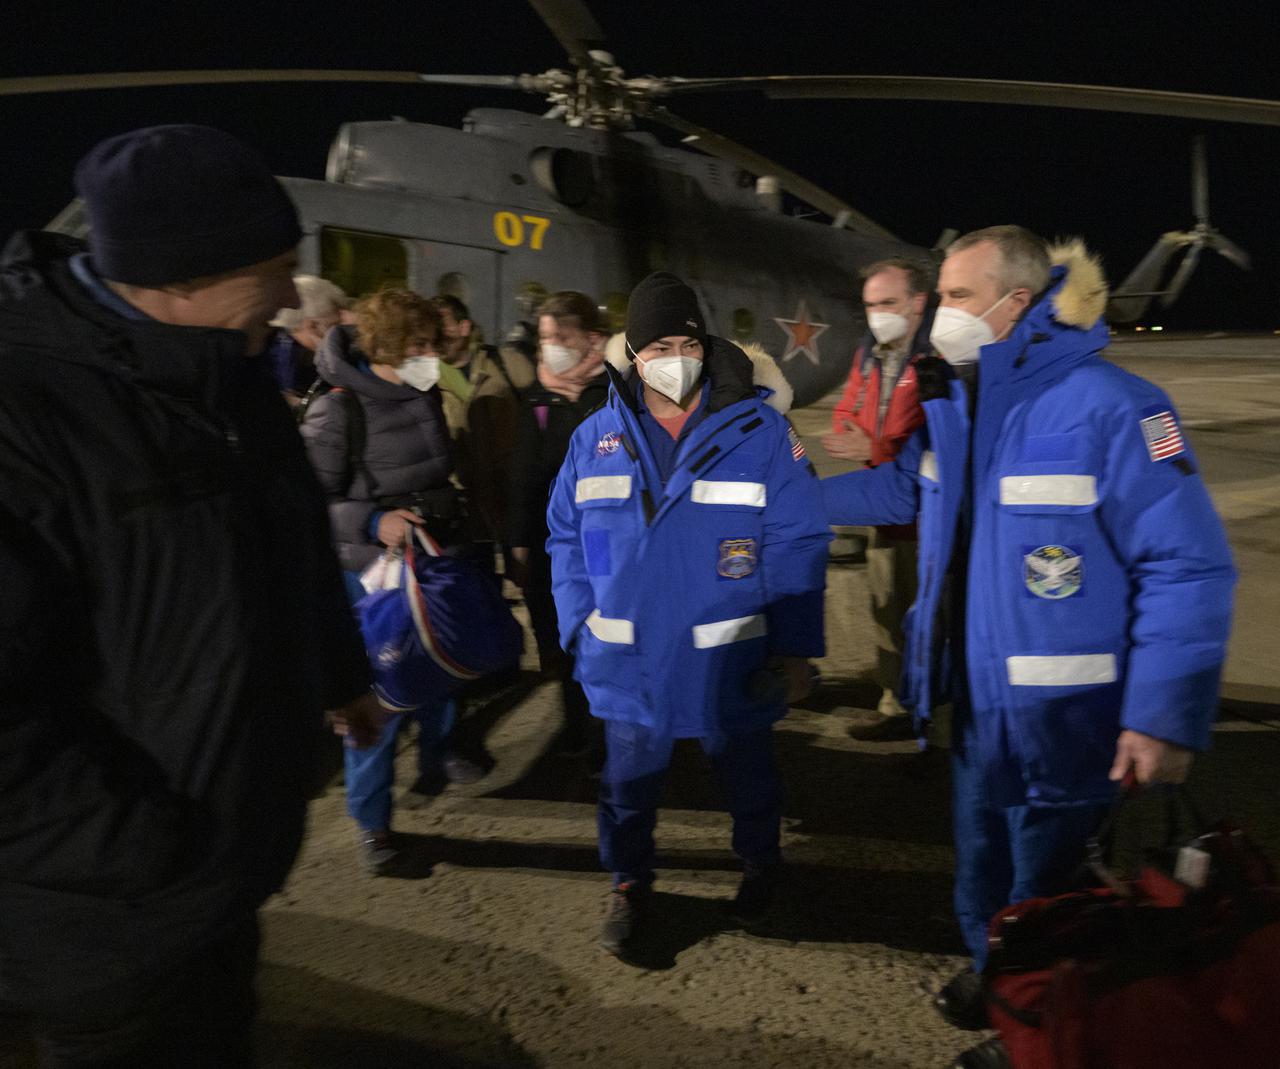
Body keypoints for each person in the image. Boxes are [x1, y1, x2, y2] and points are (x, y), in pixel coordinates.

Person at [0, 124, 384, 1068]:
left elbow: (290, 532)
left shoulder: (227, 368)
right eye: (274, 267)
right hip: (106, 918)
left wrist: (339, 670)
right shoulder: (23, 412)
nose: (293, 292)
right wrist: (142, 854)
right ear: (177, 277)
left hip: (219, 866)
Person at [820, 226, 1235, 1069]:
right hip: (978, 712)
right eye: (939, 297)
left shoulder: (1124, 408)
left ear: (1018, 302)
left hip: (1071, 718)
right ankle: (1003, 978)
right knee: (980, 877)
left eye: (960, 297)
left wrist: (1162, 717)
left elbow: (1188, 567)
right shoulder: (958, 407)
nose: (941, 314)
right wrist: (783, 495)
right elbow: (904, 487)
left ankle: (1043, 1030)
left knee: (1052, 892)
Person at [547, 272, 831, 957]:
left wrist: (795, 649)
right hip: (629, 655)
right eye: (658, 344)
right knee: (627, 784)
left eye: (687, 341)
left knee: (747, 771)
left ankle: (762, 862)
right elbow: (564, 536)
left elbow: (798, 536)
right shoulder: (595, 437)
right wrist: (579, 624)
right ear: (633, 355)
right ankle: (627, 881)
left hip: (729, 655)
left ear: (704, 345)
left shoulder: (760, 431)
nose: (675, 355)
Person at [300, 287, 469, 872]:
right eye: (418, 345)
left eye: (432, 344)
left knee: (442, 665)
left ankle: (439, 756)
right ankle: (372, 823)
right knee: (381, 696)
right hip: (369, 571)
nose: (431, 357)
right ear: (387, 346)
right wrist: (375, 518)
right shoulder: (337, 409)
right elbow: (308, 503)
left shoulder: (418, 389)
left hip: (427, 556)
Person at [822, 259, 934, 738]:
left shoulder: (936, 361)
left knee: (929, 621)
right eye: (870, 305)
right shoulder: (871, 352)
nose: (877, 314)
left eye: (887, 303)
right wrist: (859, 435)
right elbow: (848, 406)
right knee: (886, 611)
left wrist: (876, 447)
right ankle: (895, 706)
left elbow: (929, 441)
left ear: (917, 303)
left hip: (927, 513)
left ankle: (932, 719)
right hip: (881, 503)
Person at [507, 291, 610, 757]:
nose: (549, 347)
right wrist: (520, 544)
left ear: (591, 339)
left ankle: (613, 733)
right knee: (566, 642)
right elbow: (524, 477)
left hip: (605, 540)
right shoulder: (539, 398)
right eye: (545, 337)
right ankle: (583, 733)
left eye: (560, 337)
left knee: (606, 635)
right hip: (556, 546)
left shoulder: (613, 392)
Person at [430, 294, 532, 563]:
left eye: (444, 325)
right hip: (464, 507)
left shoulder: (506, 363)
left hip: (511, 499)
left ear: (464, 328)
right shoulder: (426, 378)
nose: (438, 335)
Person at [266, 274, 349, 406]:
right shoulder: (277, 355)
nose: (341, 332)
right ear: (312, 326)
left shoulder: (290, 347)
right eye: (334, 325)